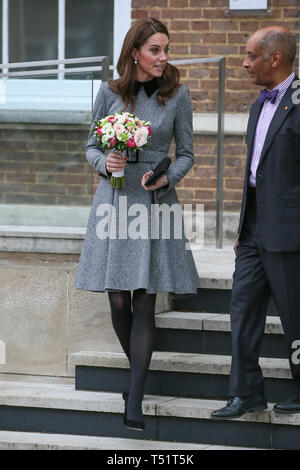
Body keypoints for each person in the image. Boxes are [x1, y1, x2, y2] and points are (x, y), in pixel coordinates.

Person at [75, 18, 199, 431]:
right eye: (155, 50)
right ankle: (136, 378)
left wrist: (168, 177)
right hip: (113, 199)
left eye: (166, 49)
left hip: (153, 200)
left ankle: (136, 400)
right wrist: (103, 161)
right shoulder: (110, 92)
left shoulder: (178, 95)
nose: (163, 58)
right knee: (117, 298)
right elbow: (92, 144)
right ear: (135, 53)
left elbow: (187, 154)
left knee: (144, 297)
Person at [212, 26, 300, 420]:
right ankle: (246, 392)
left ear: (275, 58)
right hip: (252, 230)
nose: (245, 64)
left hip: (291, 231)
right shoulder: (256, 105)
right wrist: (244, 226)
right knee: (242, 308)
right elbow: (254, 170)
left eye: (251, 56)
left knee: (295, 315)